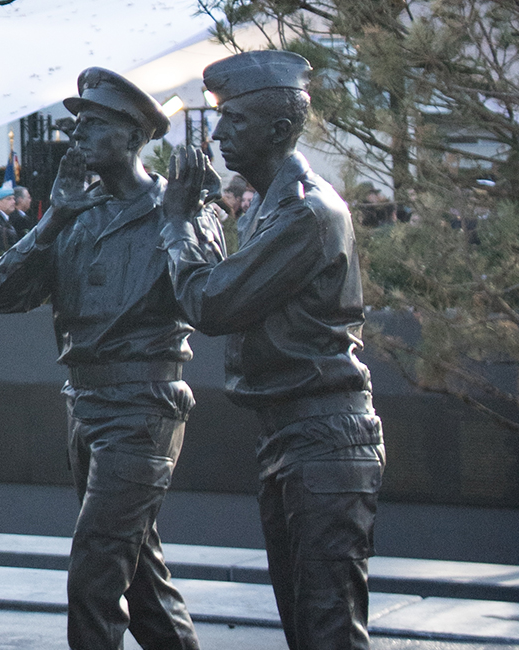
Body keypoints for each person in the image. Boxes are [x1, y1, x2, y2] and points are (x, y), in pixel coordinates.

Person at [161, 51, 384, 650]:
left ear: (281, 130)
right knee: (307, 628)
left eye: (234, 121)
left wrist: (180, 222)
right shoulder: (271, 207)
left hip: (323, 440)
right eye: (219, 119)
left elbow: (213, 305)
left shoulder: (305, 212)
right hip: (293, 439)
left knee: (327, 632)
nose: (218, 135)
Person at [0, 67, 209, 650]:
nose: (75, 135)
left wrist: (184, 220)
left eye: (92, 124)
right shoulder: (73, 214)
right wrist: (52, 218)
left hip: (143, 407)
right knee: (140, 579)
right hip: (84, 404)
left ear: (133, 136)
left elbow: (208, 300)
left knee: (94, 579)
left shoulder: (177, 207)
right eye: (75, 124)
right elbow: (2, 294)